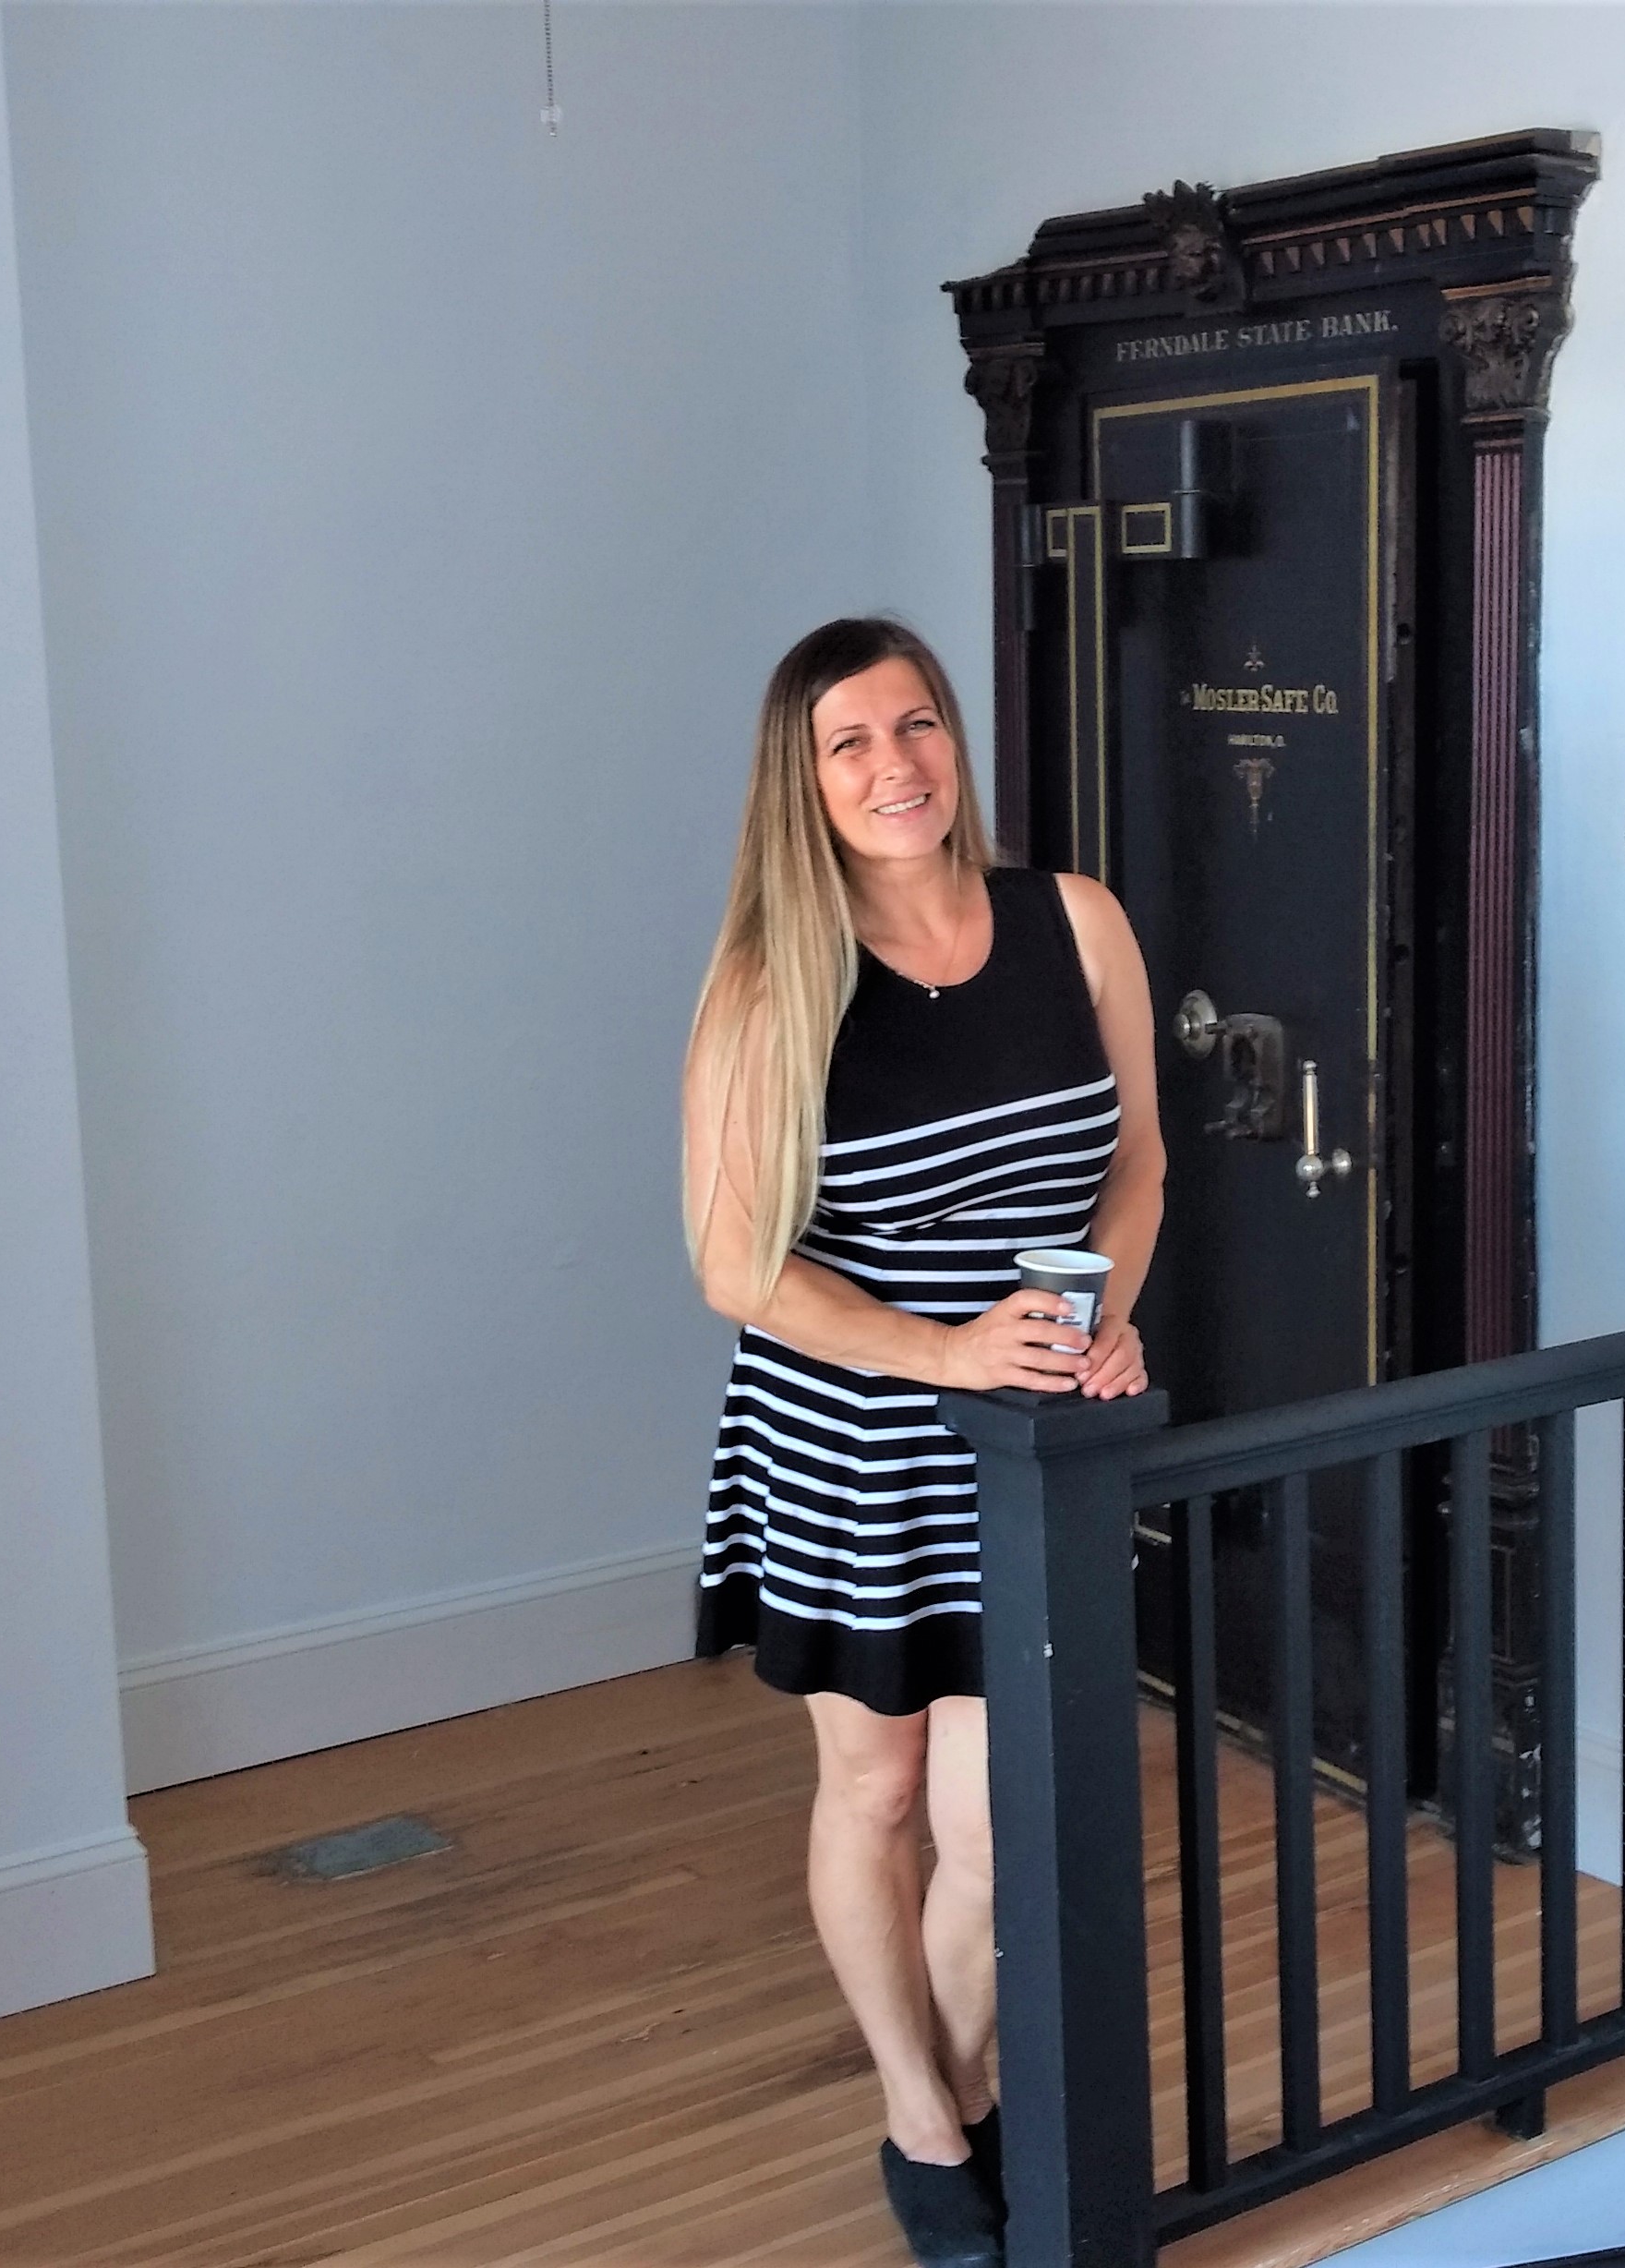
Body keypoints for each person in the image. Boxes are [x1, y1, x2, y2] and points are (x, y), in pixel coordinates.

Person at [680, 618, 1162, 2268]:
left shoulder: (1074, 922)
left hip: (1029, 1446)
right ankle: (928, 2124)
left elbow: (1138, 1170)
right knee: (877, 1787)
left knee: (992, 1827)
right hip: (853, 1443)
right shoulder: (774, 973)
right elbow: (733, 1261)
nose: (895, 767)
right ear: (801, 783)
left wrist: (1104, 1314)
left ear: (955, 740)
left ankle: (934, 2104)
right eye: (849, 744)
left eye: (917, 726)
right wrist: (944, 1348)